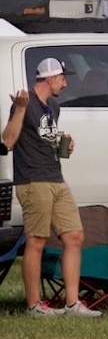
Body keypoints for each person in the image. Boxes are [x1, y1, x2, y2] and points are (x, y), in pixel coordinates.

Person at [2, 57, 100, 317]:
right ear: (50, 78)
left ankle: (72, 303)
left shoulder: (52, 107)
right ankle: (34, 306)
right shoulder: (25, 103)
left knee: (74, 236)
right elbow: (8, 141)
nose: (65, 83)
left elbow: (44, 140)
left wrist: (62, 146)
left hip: (56, 178)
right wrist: (20, 109)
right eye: (63, 78)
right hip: (33, 180)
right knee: (37, 240)